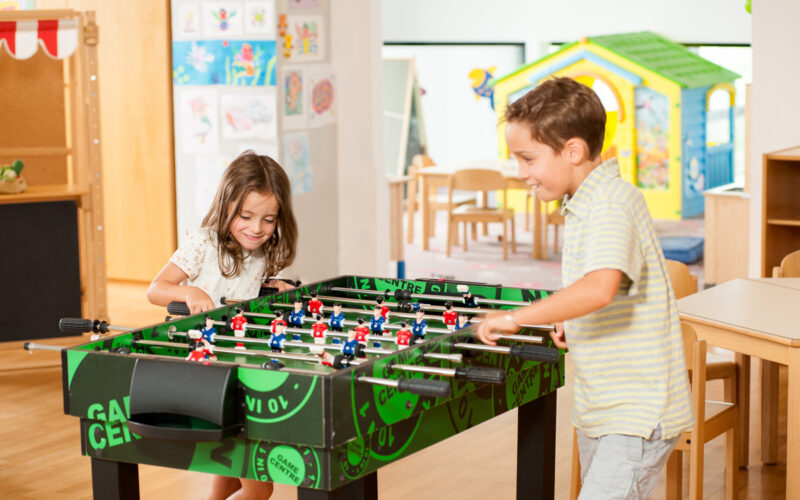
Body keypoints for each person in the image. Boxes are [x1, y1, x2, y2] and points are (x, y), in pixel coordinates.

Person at [476, 77, 693, 499]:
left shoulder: (611, 202)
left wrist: (515, 317)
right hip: (607, 408)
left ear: (572, 151)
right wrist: (568, 320)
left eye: (528, 159)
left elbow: (599, 288)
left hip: (636, 413)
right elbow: (598, 293)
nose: (521, 173)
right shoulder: (586, 202)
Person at [147, 150, 298, 500]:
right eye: (245, 216)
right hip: (204, 367)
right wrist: (190, 292)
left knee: (229, 467)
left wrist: (270, 287)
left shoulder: (260, 253)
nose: (256, 229)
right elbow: (155, 289)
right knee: (261, 488)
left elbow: (240, 291)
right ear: (227, 204)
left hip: (237, 364)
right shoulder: (203, 242)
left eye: (268, 220)